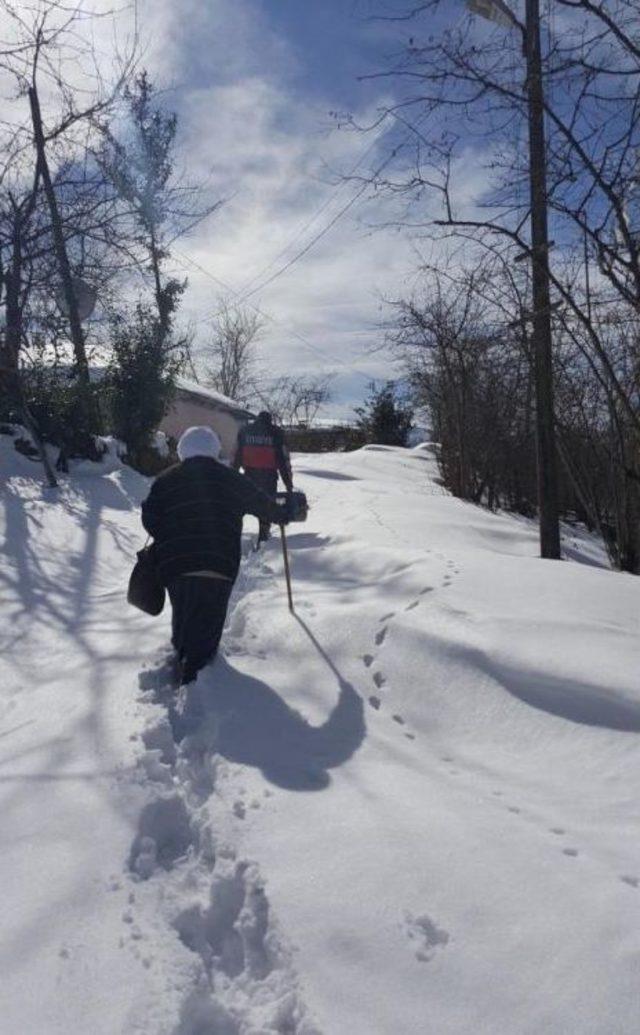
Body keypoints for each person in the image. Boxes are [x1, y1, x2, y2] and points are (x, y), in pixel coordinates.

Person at [141, 425, 288, 687]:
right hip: (218, 564)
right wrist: (285, 513)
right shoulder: (231, 478)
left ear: (182, 450)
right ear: (214, 450)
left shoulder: (165, 480)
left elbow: (150, 518)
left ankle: (185, 660)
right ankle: (198, 684)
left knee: (184, 615)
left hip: (175, 565)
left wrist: (172, 536)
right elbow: (264, 506)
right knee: (208, 623)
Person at [234, 410, 293, 543]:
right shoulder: (276, 433)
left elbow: (237, 455)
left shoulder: (245, 431)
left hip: (249, 476)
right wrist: (288, 483)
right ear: (270, 420)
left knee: (243, 506)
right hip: (269, 477)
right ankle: (263, 536)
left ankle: (236, 534)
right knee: (266, 506)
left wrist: (232, 474)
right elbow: (282, 461)